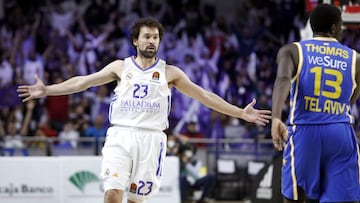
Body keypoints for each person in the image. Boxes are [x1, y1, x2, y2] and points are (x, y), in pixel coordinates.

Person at [17, 17, 271, 203]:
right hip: (121, 136)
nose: (151, 41)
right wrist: (47, 90)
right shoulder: (120, 67)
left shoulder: (171, 72)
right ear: (135, 40)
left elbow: (204, 96)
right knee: (113, 194)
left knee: (136, 200)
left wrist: (240, 113)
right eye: (147, 36)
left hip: (151, 140)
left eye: (155, 37)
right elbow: (83, 82)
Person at [271, 4, 360, 203]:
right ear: (335, 28)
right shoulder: (355, 58)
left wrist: (276, 117)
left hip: (305, 131)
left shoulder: (292, 50)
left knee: (295, 197)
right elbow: (351, 97)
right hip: (340, 132)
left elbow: (283, 79)